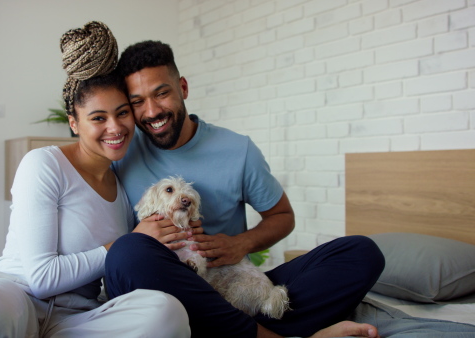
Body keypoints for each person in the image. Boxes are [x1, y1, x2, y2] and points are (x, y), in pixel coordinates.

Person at [0, 22, 190, 338]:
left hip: (74, 319)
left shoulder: (122, 191)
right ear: (74, 123)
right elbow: (42, 278)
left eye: (122, 113)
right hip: (15, 300)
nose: (115, 127)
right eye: (98, 118)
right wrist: (123, 243)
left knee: (165, 312)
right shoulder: (44, 164)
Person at [106, 40, 386, 338]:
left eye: (161, 93)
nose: (152, 111)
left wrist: (241, 243)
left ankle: (232, 328)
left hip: (228, 282)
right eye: (137, 102)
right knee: (128, 252)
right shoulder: (120, 152)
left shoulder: (238, 150)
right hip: (167, 288)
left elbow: (282, 215)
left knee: (361, 253)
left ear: (183, 88)